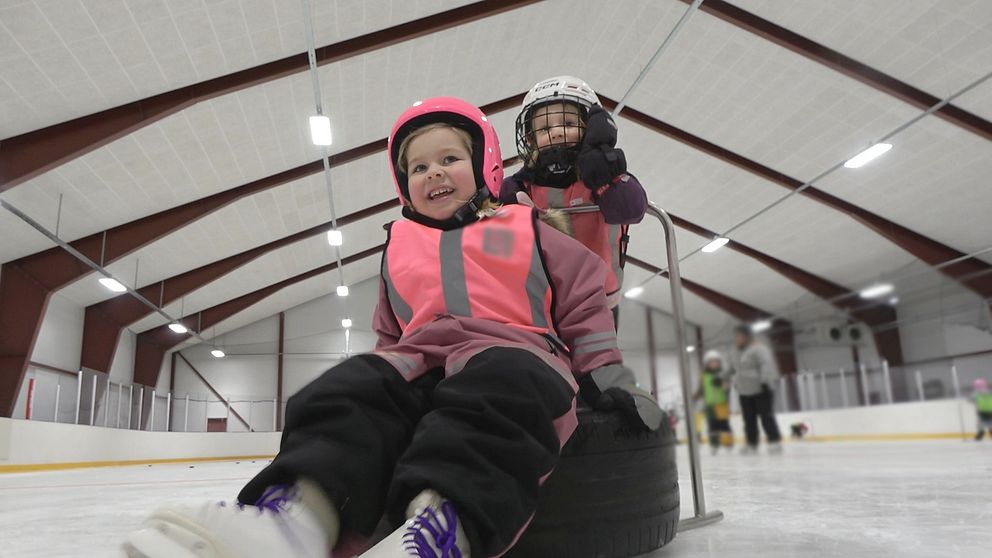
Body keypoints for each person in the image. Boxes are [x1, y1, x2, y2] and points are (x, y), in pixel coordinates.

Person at [122, 97, 661, 558]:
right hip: (421, 357)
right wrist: (384, 381)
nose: (433, 173)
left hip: (513, 351)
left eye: (450, 158)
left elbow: (586, 304)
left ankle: (439, 531)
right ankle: (296, 520)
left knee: (496, 395)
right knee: (352, 389)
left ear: (487, 166)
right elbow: (389, 332)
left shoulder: (523, 227)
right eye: (418, 168)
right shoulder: (399, 245)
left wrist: (605, 376)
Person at [499, 76, 648, 321]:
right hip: (544, 300)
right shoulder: (520, 186)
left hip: (600, 300)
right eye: (545, 129)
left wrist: (603, 163)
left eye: (568, 123)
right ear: (531, 140)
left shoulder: (605, 179)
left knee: (598, 358)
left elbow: (631, 210)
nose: (557, 132)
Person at [727, 324, 782, 454]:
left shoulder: (759, 349)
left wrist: (764, 381)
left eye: (740, 336)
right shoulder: (734, 352)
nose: (737, 339)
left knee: (766, 416)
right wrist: (722, 377)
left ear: (747, 337)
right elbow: (731, 368)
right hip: (744, 390)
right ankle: (752, 443)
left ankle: (774, 441)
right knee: (748, 419)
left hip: (761, 388)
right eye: (736, 337)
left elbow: (766, 364)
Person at [693, 350, 734, 455]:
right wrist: (694, 397)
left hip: (722, 404)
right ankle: (714, 445)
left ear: (719, 363)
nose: (714, 364)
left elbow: (728, 387)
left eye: (716, 362)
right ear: (707, 363)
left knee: (724, 424)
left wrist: (725, 385)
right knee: (712, 425)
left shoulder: (723, 374)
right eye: (711, 362)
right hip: (709, 405)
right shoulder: (704, 376)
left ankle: (727, 443)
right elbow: (701, 390)